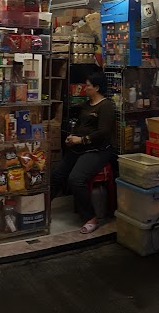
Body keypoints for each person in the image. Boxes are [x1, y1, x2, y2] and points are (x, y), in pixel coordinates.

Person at [52, 71, 120, 234]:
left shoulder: (106, 106)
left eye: (88, 85)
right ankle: (42, 209)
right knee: (57, 175)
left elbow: (103, 132)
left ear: (96, 87)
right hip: (79, 148)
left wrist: (81, 140)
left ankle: (91, 217)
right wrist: (72, 137)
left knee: (76, 179)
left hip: (98, 150)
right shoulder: (86, 104)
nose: (84, 88)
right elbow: (79, 125)